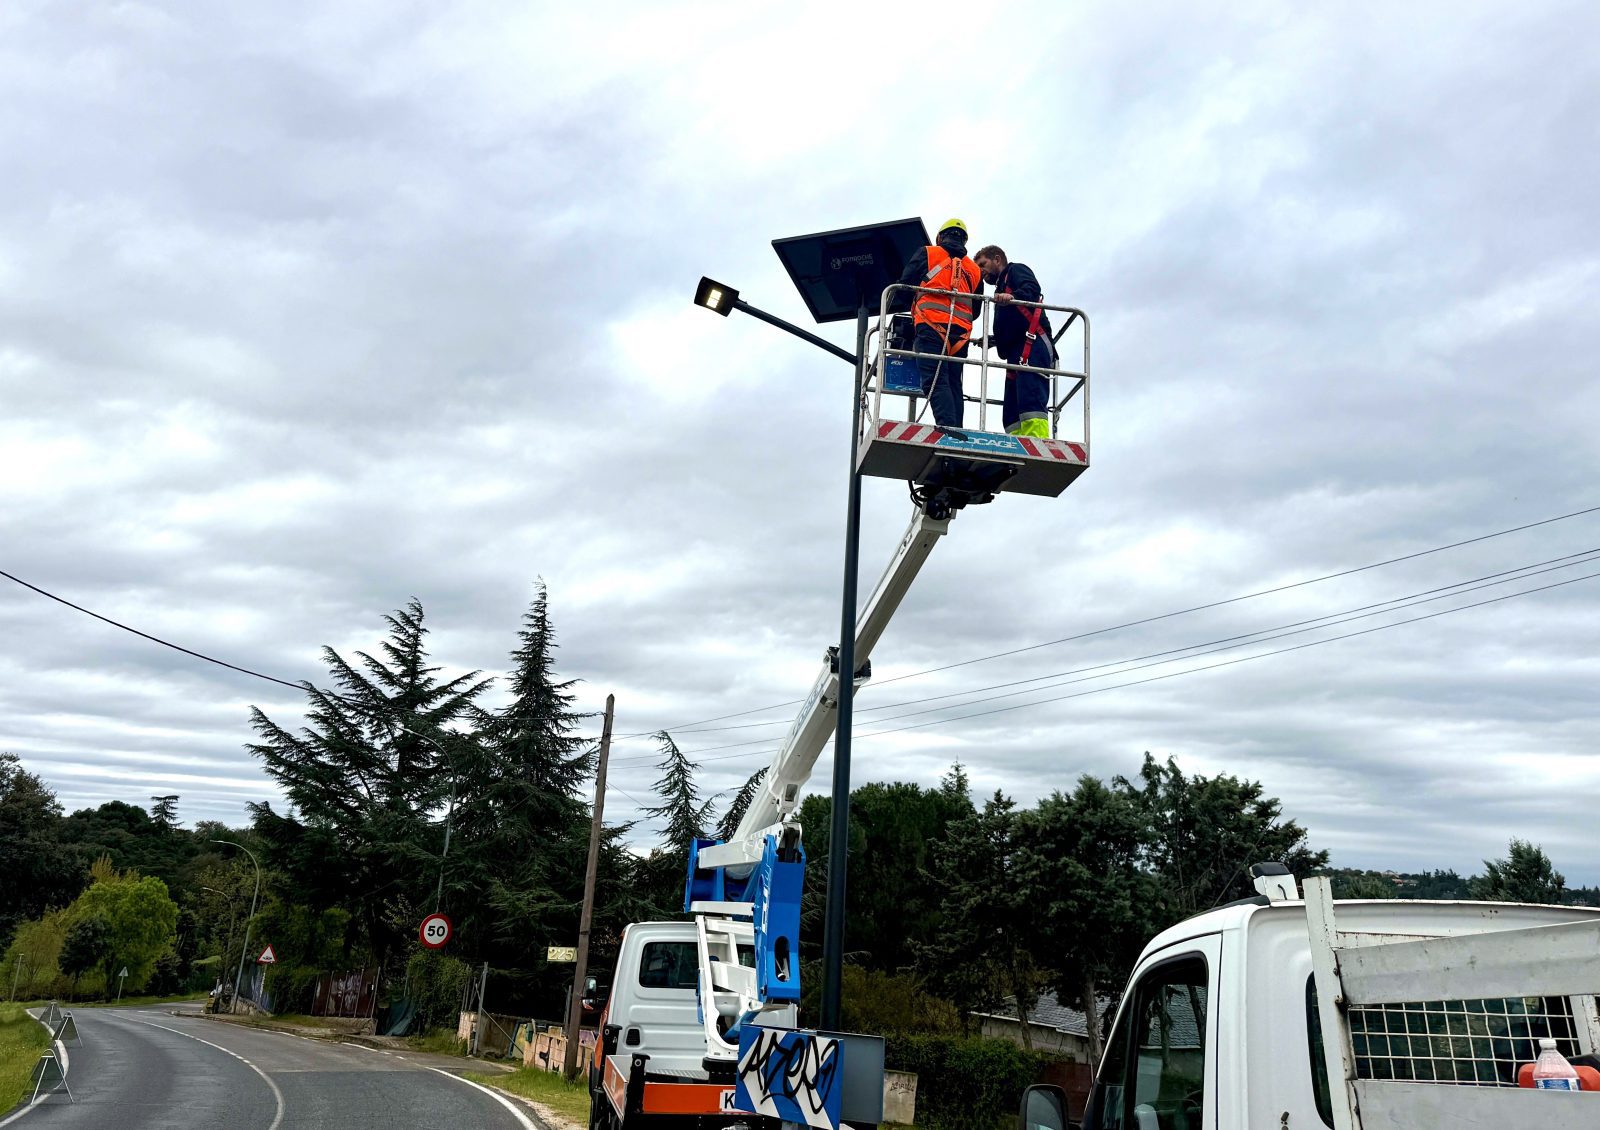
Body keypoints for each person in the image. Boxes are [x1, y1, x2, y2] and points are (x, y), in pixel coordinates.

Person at [890, 218, 983, 431]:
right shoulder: (974, 270)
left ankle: (948, 429)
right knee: (953, 382)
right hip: (960, 335)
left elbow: (904, 286)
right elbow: (976, 310)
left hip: (930, 325)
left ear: (940, 237)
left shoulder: (928, 253)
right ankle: (957, 430)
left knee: (935, 379)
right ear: (964, 241)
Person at [973, 244, 1054, 438]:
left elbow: (1032, 289)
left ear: (997, 259)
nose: (981, 271)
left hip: (1032, 344)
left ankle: (1037, 443)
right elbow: (1014, 323)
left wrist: (1013, 296)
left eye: (983, 264)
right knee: (1012, 407)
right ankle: (1017, 441)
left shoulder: (1015, 270)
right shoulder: (1001, 288)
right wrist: (994, 340)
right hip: (1016, 348)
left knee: (1030, 398)